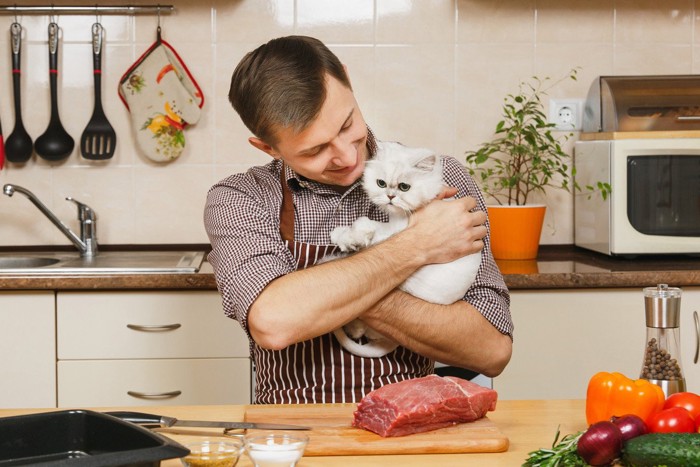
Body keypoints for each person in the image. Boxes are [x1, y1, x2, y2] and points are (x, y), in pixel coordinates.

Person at [204, 35, 513, 405]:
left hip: (411, 427)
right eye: (315, 150)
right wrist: (416, 246)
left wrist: (325, 296)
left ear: (348, 82)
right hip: (288, 435)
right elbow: (274, 323)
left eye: (347, 124)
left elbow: (491, 351)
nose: (346, 156)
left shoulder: (438, 180)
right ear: (267, 147)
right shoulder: (241, 198)